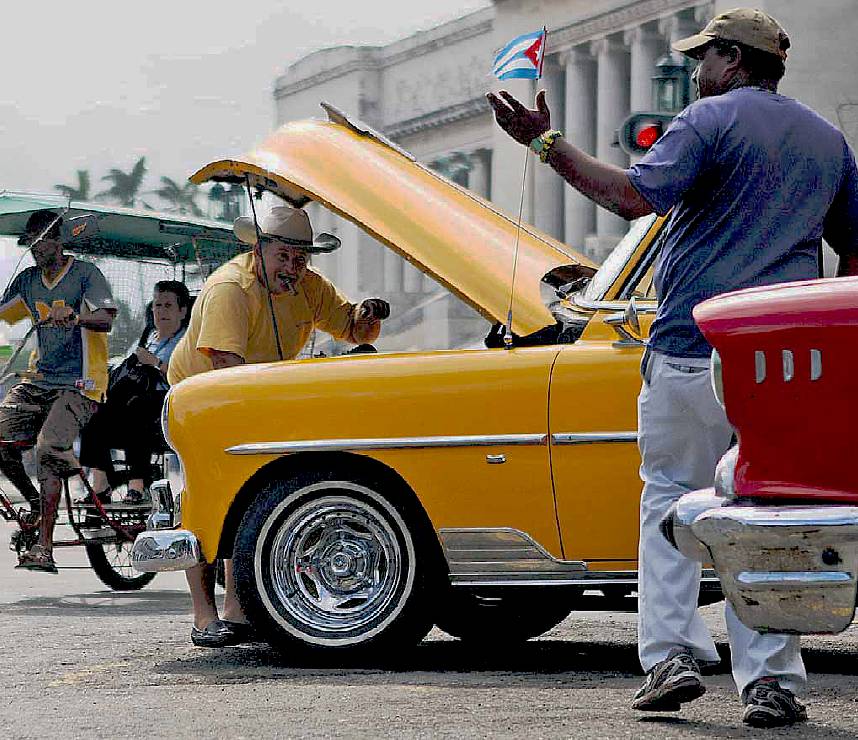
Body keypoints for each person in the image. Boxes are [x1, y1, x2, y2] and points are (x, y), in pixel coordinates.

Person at [488, 7, 858, 728]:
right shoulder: (828, 139)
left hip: (692, 346)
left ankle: (670, 656)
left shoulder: (708, 120)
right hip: (780, 365)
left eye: (704, 56)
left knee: (668, 498)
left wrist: (547, 143)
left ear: (732, 60)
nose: (695, 70)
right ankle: (771, 681)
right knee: (766, 512)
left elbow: (632, 195)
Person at [167, 204, 390, 648]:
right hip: (204, 397)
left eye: (300, 258)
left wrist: (367, 314)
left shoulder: (308, 287)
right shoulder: (231, 290)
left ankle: (237, 610)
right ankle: (203, 614)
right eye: (283, 257)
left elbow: (354, 331)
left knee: (254, 497)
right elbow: (224, 369)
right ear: (259, 250)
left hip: (262, 396)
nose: (291, 267)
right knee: (208, 501)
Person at [0, 209, 116, 573]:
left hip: (81, 384)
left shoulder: (85, 275)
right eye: (31, 243)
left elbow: (107, 318)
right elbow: (5, 317)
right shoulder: (29, 281)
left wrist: (77, 317)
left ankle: (44, 548)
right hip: (38, 380)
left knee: (49, 447)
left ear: (59, 240)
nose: (37, 248)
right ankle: (35, 503)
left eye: (43, 240)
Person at [79, 280, 191, 506]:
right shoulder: (148, 336)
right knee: (93, 410)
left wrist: (157, 363)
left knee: (140, 407)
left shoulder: (187, 340)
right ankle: (101, 484)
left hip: (168, 410)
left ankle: (137, 484)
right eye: (157, 306)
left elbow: (188, 377)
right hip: (131, 407)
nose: (161, 312)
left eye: (168, 306)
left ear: (182, 311)